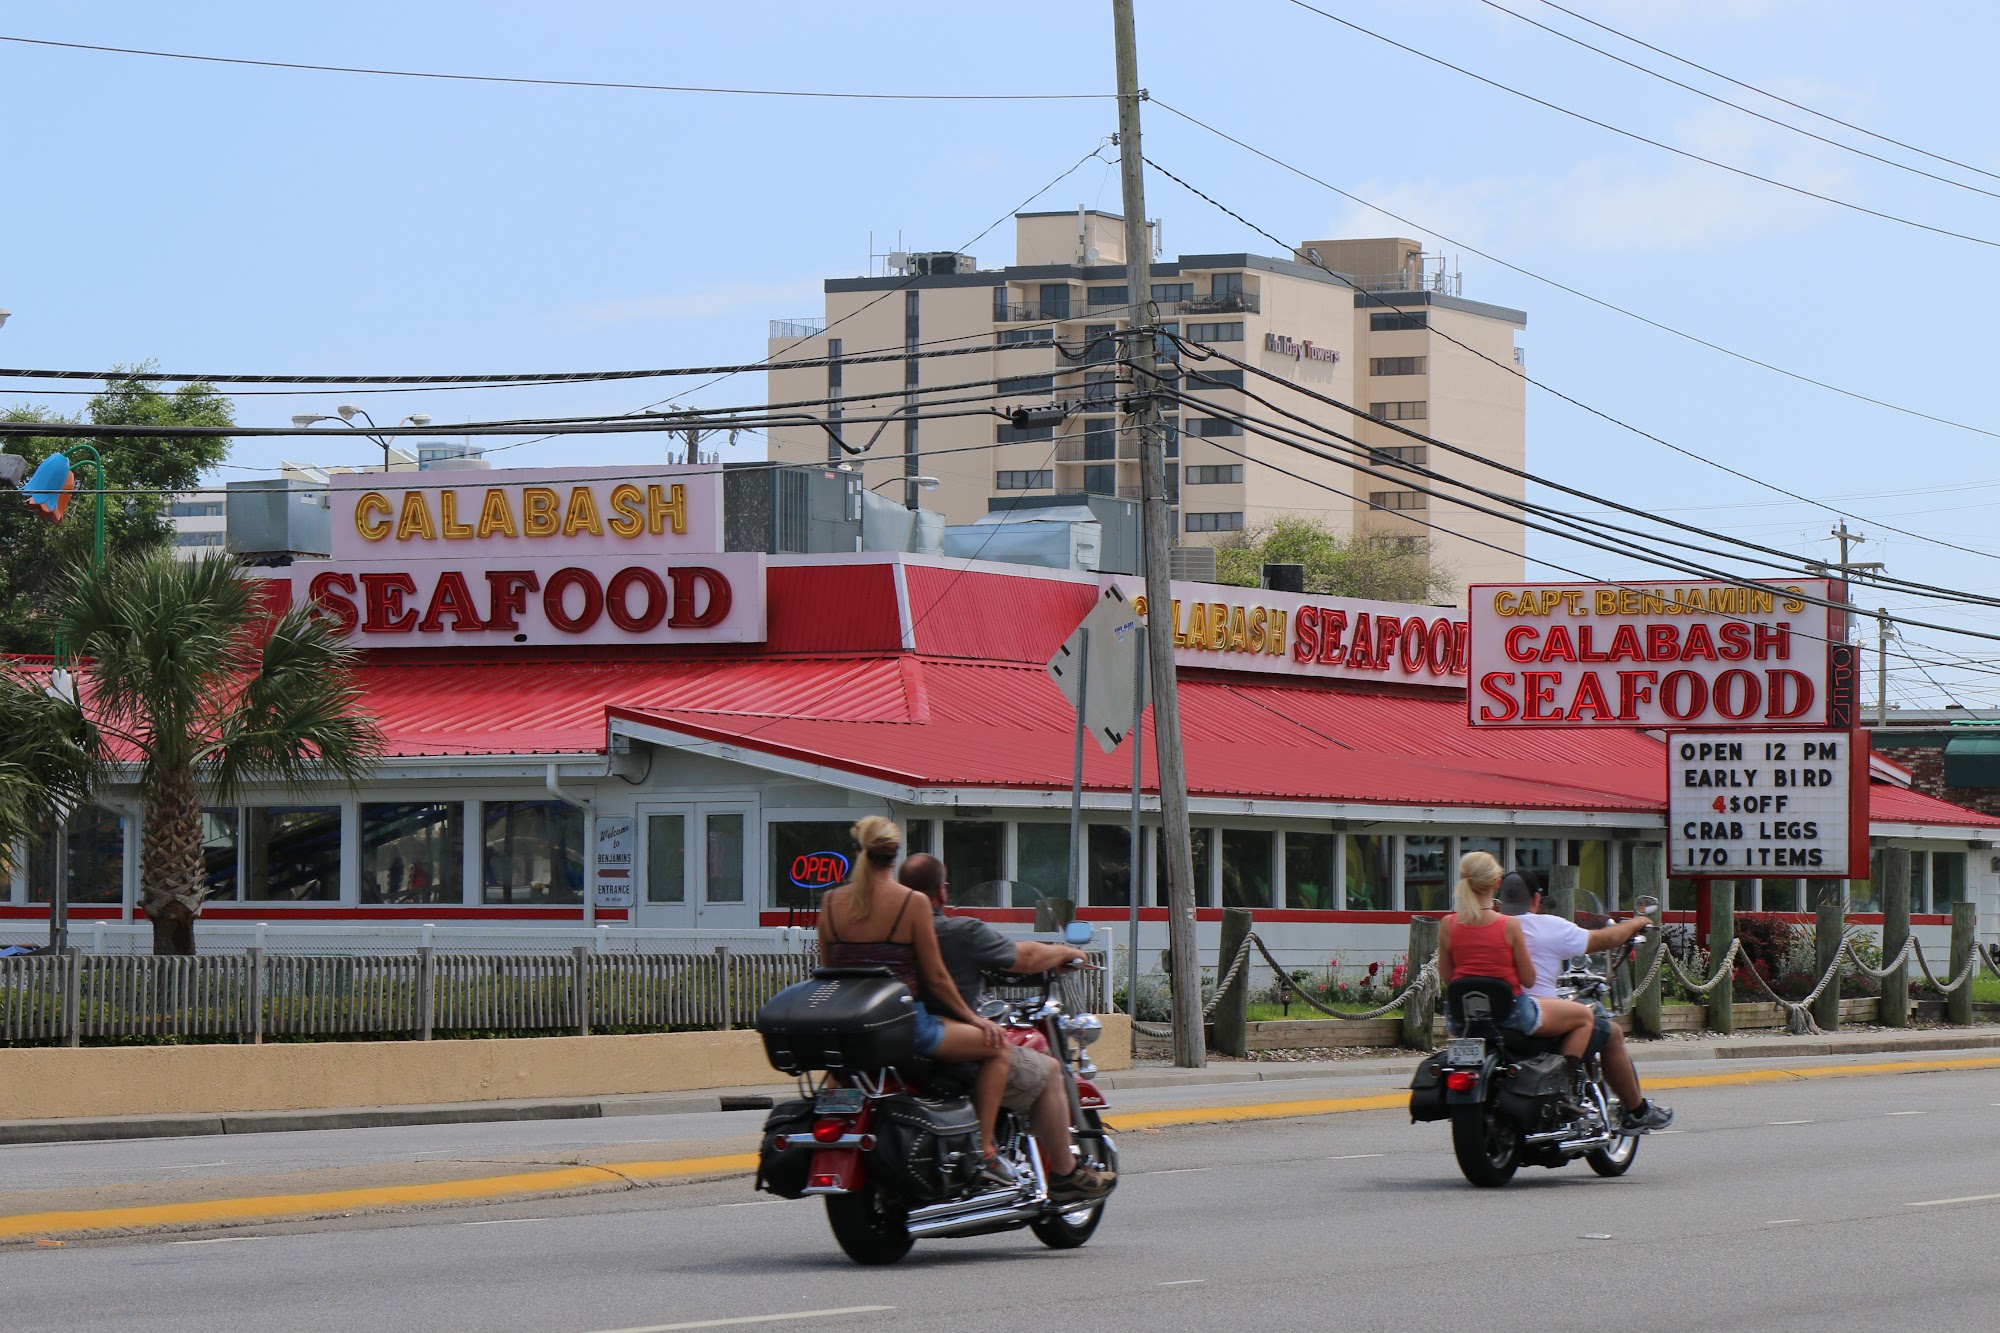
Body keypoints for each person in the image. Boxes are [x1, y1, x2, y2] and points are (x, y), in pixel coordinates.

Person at [901, 853, 1115, 1201]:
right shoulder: (959, 931)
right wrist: (1063, 952)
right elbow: (1025, 957)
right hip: (950, 1045)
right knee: (1047, 1071)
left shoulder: (891, 934)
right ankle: (1064, 1172)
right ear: (942, 893)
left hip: (903, 1047)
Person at [815, 817, 1015, 1185]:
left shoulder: (830, 903)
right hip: (907, 1030)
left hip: (851, 1032)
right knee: (998, 1046)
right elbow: (936, 977)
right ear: (894, 855)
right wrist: (975, 1019)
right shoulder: (910, 902)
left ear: (858, 850)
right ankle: (985, 1150)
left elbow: (831, 972)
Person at [1497, 872, 1674, 1133]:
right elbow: (1603, 939)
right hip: (1534, 1016)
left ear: (1499, 901)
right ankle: (1633, 1110)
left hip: (1495, 1017)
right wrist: (1635, 923)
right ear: (1536, 899)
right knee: (1609, 1032)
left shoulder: (1489, 926)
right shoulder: (1548, 926)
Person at [1435, 851, 1595, 1060]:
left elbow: (1447, 977)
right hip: (1511, 1016)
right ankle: (1566, 1078)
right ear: (1496, 883)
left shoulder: (1448, 923)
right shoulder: (1508, 925)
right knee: (1584, 1017)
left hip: (1461, 1018)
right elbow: (1528, 979)